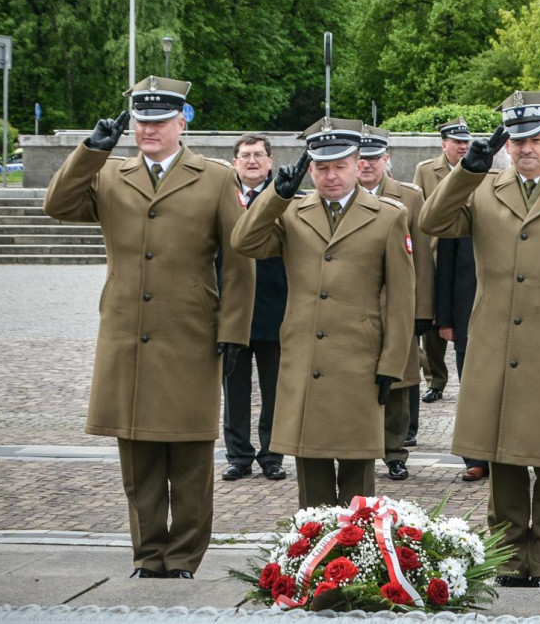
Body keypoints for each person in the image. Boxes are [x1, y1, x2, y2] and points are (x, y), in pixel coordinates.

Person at [43, 76, 256, 580]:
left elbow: (239, 259)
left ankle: (182, 557)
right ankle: (147, 556)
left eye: (159, 122)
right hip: (126, 333)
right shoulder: (110, 174)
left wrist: (234, 330)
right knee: (136, 456)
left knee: (189, 455)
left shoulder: (214, 177)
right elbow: (57, 205)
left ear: (182, 123)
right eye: (141, 122)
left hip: (189, 332)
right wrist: (90, 151)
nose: (148, 130)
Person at [420, 91, 540, 589]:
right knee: (503, 457)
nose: (526, 148)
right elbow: (432, 222)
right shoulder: (484, 187)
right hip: (494, 345)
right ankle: (508, 561)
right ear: (506, 145)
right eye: (517, 140)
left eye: (536, 139)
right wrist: (467, 172)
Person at [232, 117, 415, 509]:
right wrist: (275, 197)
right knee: (310, 474)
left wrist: (393, 364)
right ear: (310, 169)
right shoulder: (292, 212)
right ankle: (314, 560)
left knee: (358, 478)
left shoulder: (387, 215)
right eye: (322, 167)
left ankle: (356, 561)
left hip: (360, 361)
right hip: (306, 358)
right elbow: (244, 241)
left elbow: (402, 297)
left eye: (340, 165)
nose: (331, 175)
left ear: (355, 163)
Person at [358, 126, 434, 481]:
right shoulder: (345, 195)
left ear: (386, 160)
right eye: (361, 158)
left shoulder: (409, 197)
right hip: (358, 303)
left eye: (373, 158)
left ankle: (395, 452)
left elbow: (421, 257)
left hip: (398, 304)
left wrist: (422, 311)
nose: (366, 165)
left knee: (400, 384)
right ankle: (359, 447)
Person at [222, 133, 287, 482]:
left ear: (270, 161)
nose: (252, 161)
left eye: (259, 155)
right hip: (232, 310)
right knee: (234, 390)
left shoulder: (286, 198)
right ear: (234, 162)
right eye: (245, 155)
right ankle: (238, 455)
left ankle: (272, 455)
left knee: (275, 388)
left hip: (275, 307)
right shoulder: (223, 198)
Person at [413, 118, 471, 408]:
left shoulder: (477, 168)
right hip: (433, 253)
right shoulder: (426, 171)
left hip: (462, 253)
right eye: (457, 142)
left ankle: (468, 379)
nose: (463, 147)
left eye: (465, 142)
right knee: (432, 319)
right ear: (443, 144)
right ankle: (435, 379)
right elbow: (417, 210)